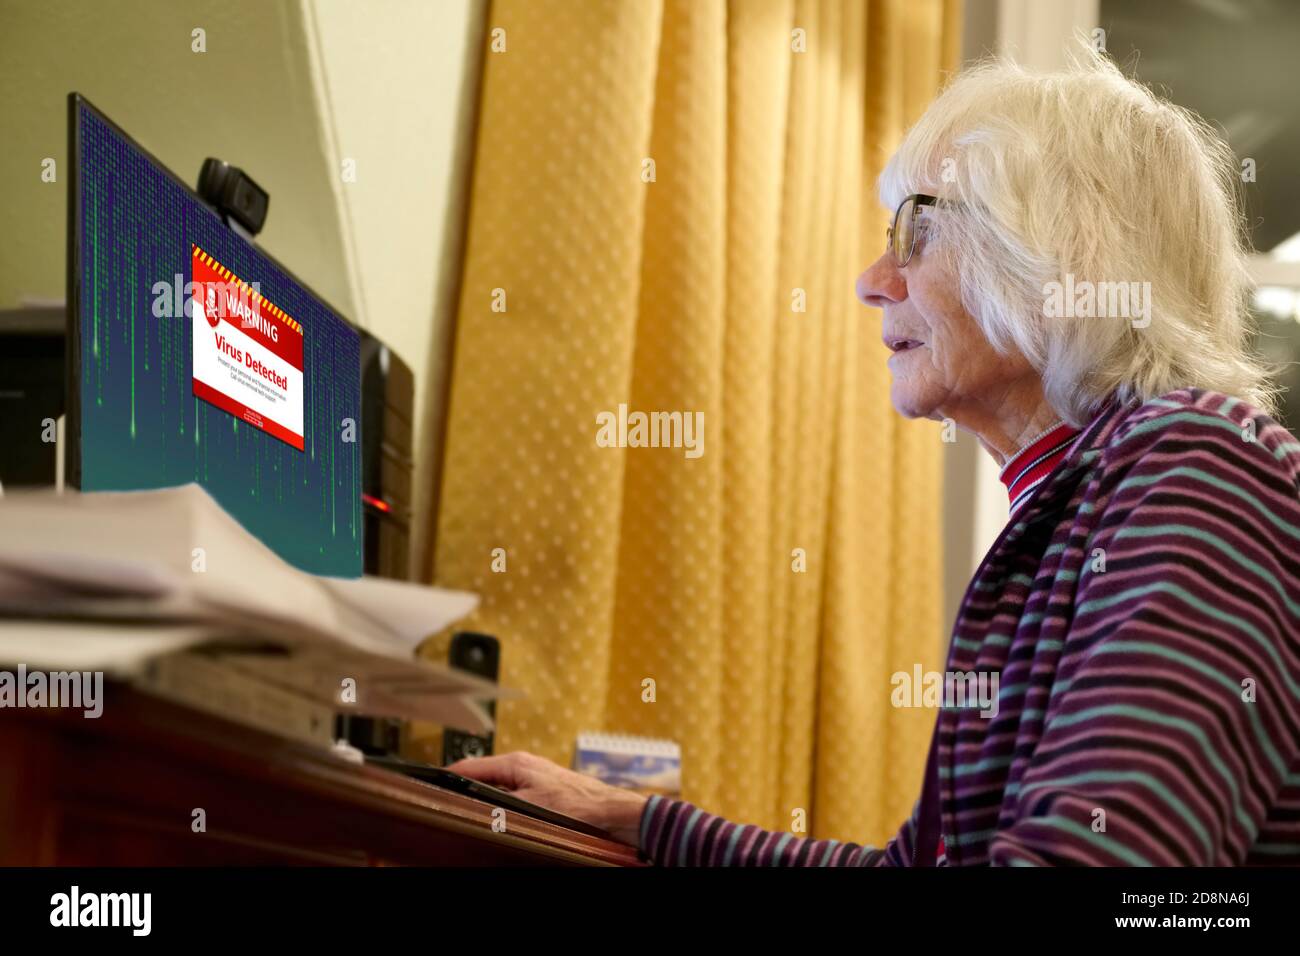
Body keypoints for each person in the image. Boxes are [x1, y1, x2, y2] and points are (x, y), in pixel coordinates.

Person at [451, 50, 1300, 866]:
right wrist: (638, 820)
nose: (871, 280)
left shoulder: (1202, 465)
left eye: (916, 230)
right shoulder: (1091, 495)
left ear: (1065, 251)